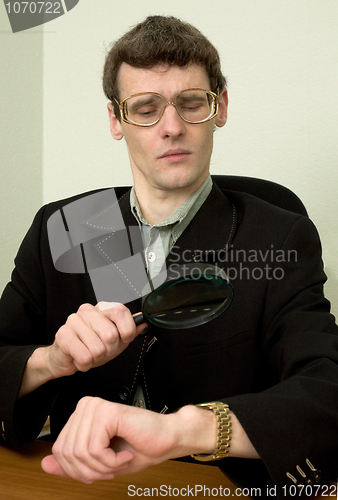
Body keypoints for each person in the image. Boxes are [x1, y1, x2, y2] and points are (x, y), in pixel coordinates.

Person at [0, 15, 337, 499]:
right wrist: (51, 360)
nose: (172, 127)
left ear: (220, 108)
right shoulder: (70, 226)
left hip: (206, 484)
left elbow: (328, 391)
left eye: (191, 103)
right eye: (146, 108)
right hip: (76, 483)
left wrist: (186, 430)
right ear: (116, 120)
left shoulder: (281, 235)